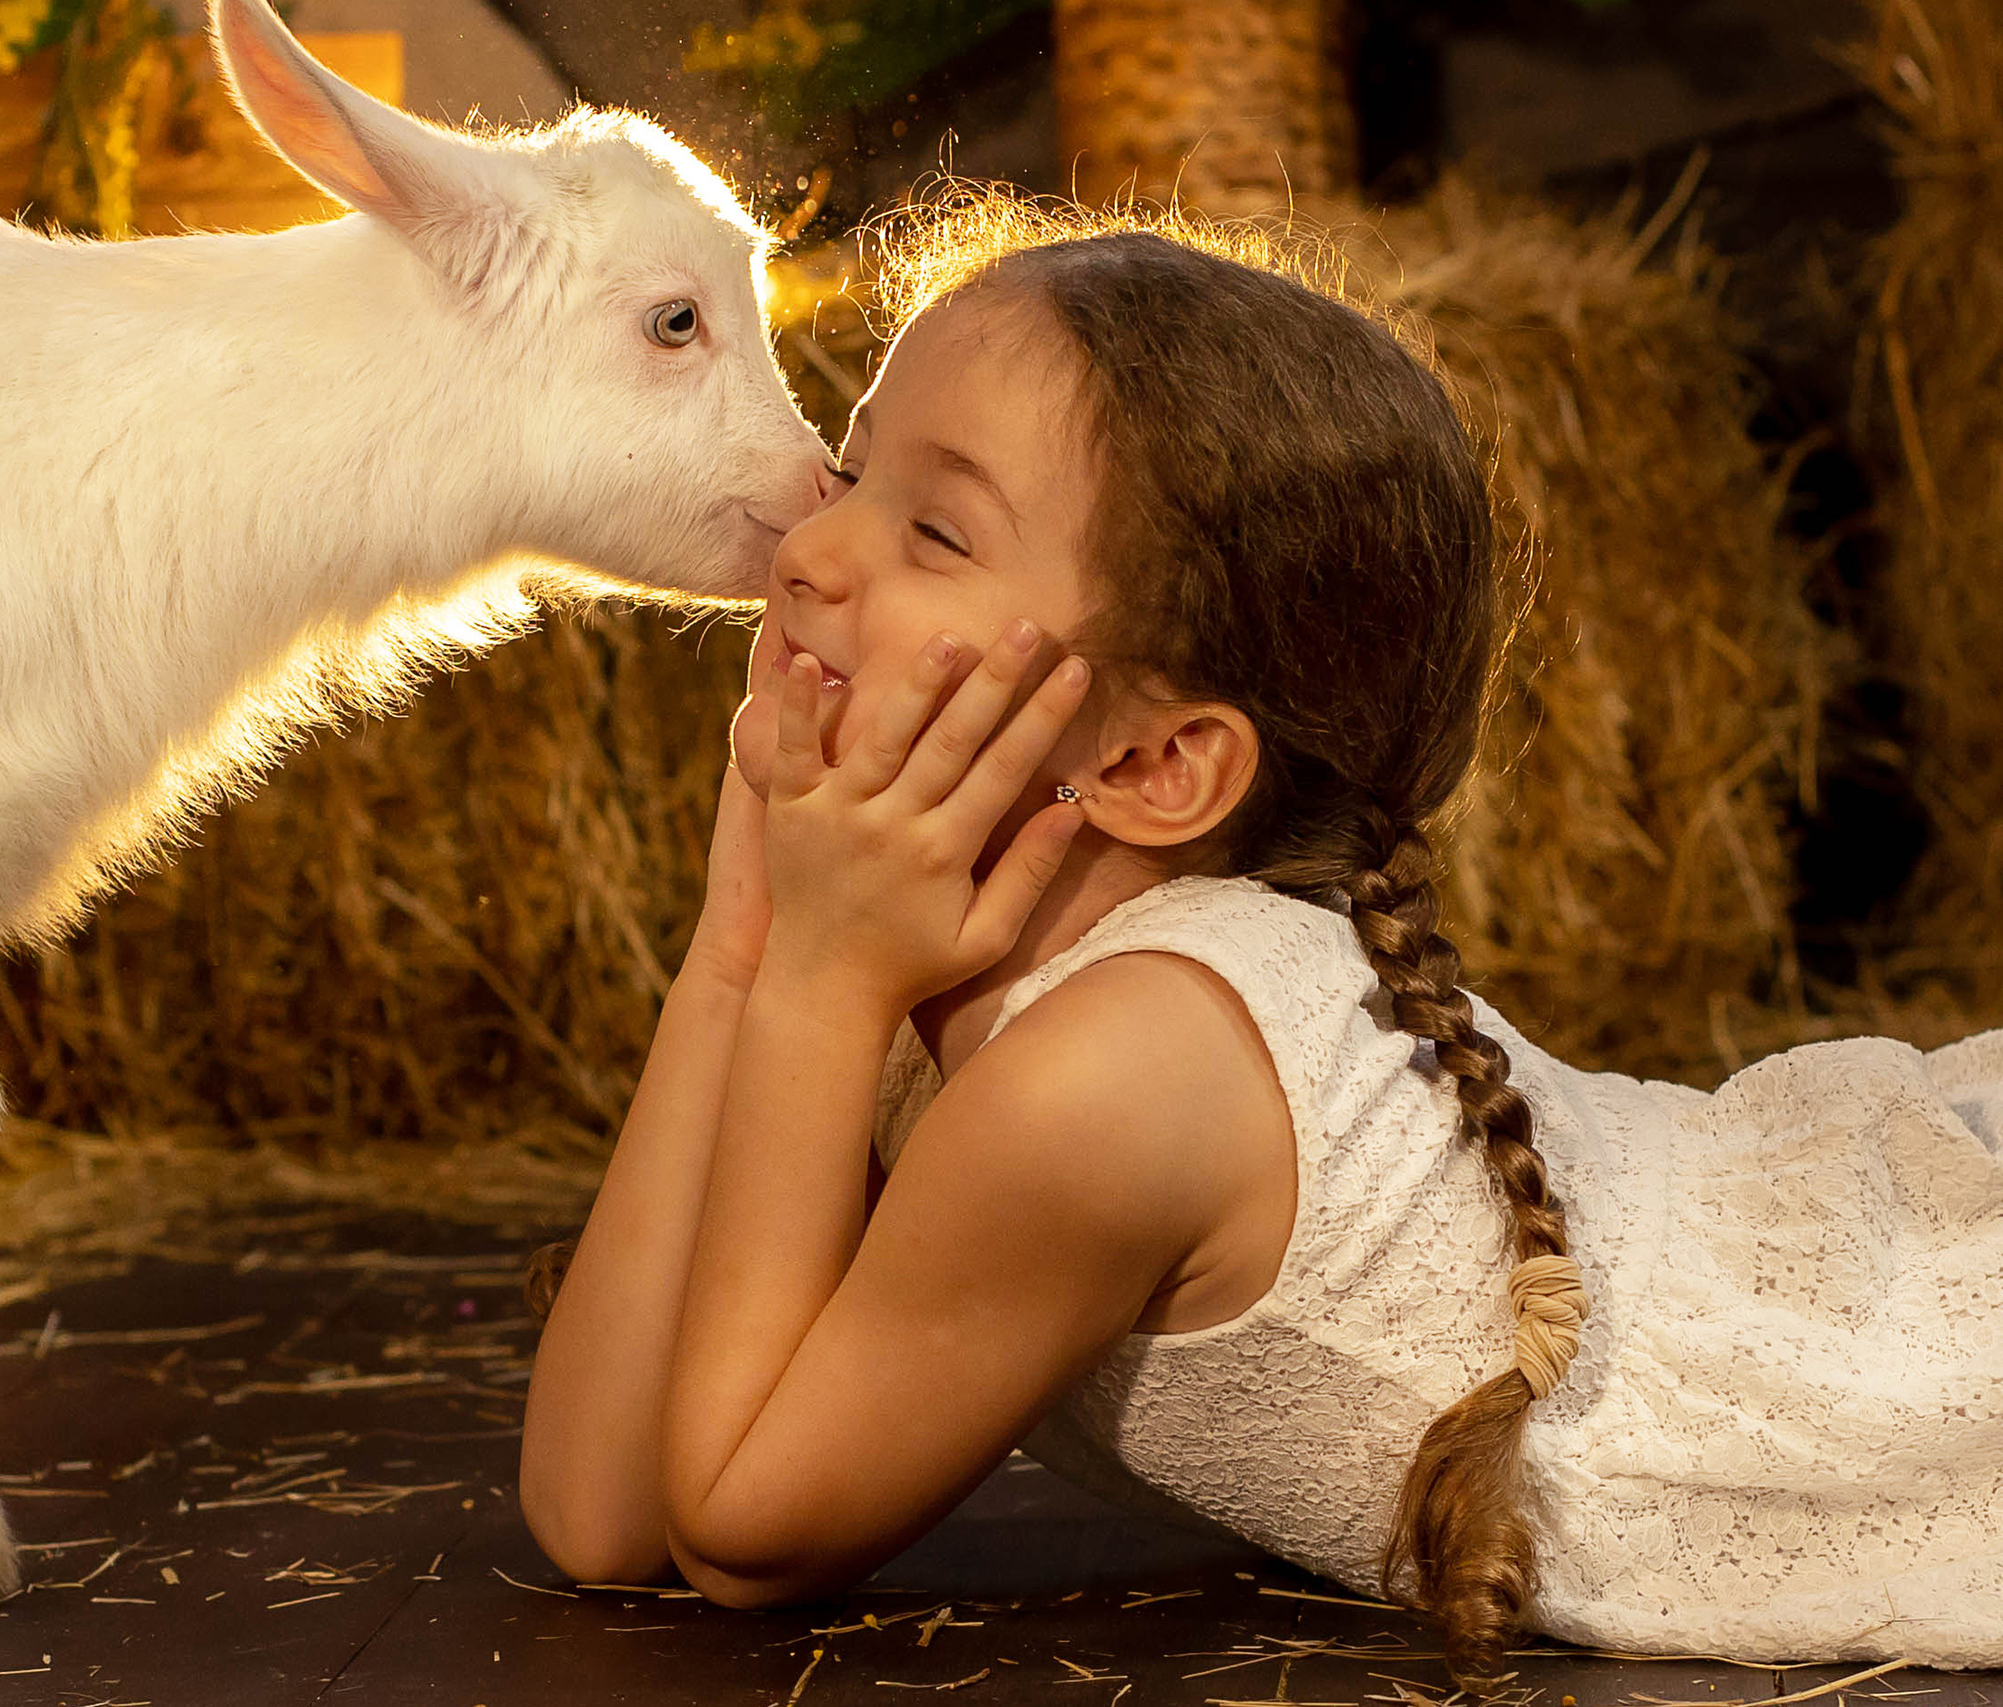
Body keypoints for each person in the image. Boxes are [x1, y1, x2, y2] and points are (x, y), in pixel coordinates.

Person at [515, 195, 2003, 1686]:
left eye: (936, 529)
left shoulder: (1120, 1068)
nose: (806, 546)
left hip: (1891, 1365)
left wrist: (811, 985)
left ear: (1160, 769)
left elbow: (738, 1529)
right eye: (854, 467)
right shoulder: (927, 982)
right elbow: (599, 1513)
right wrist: (742, 943)